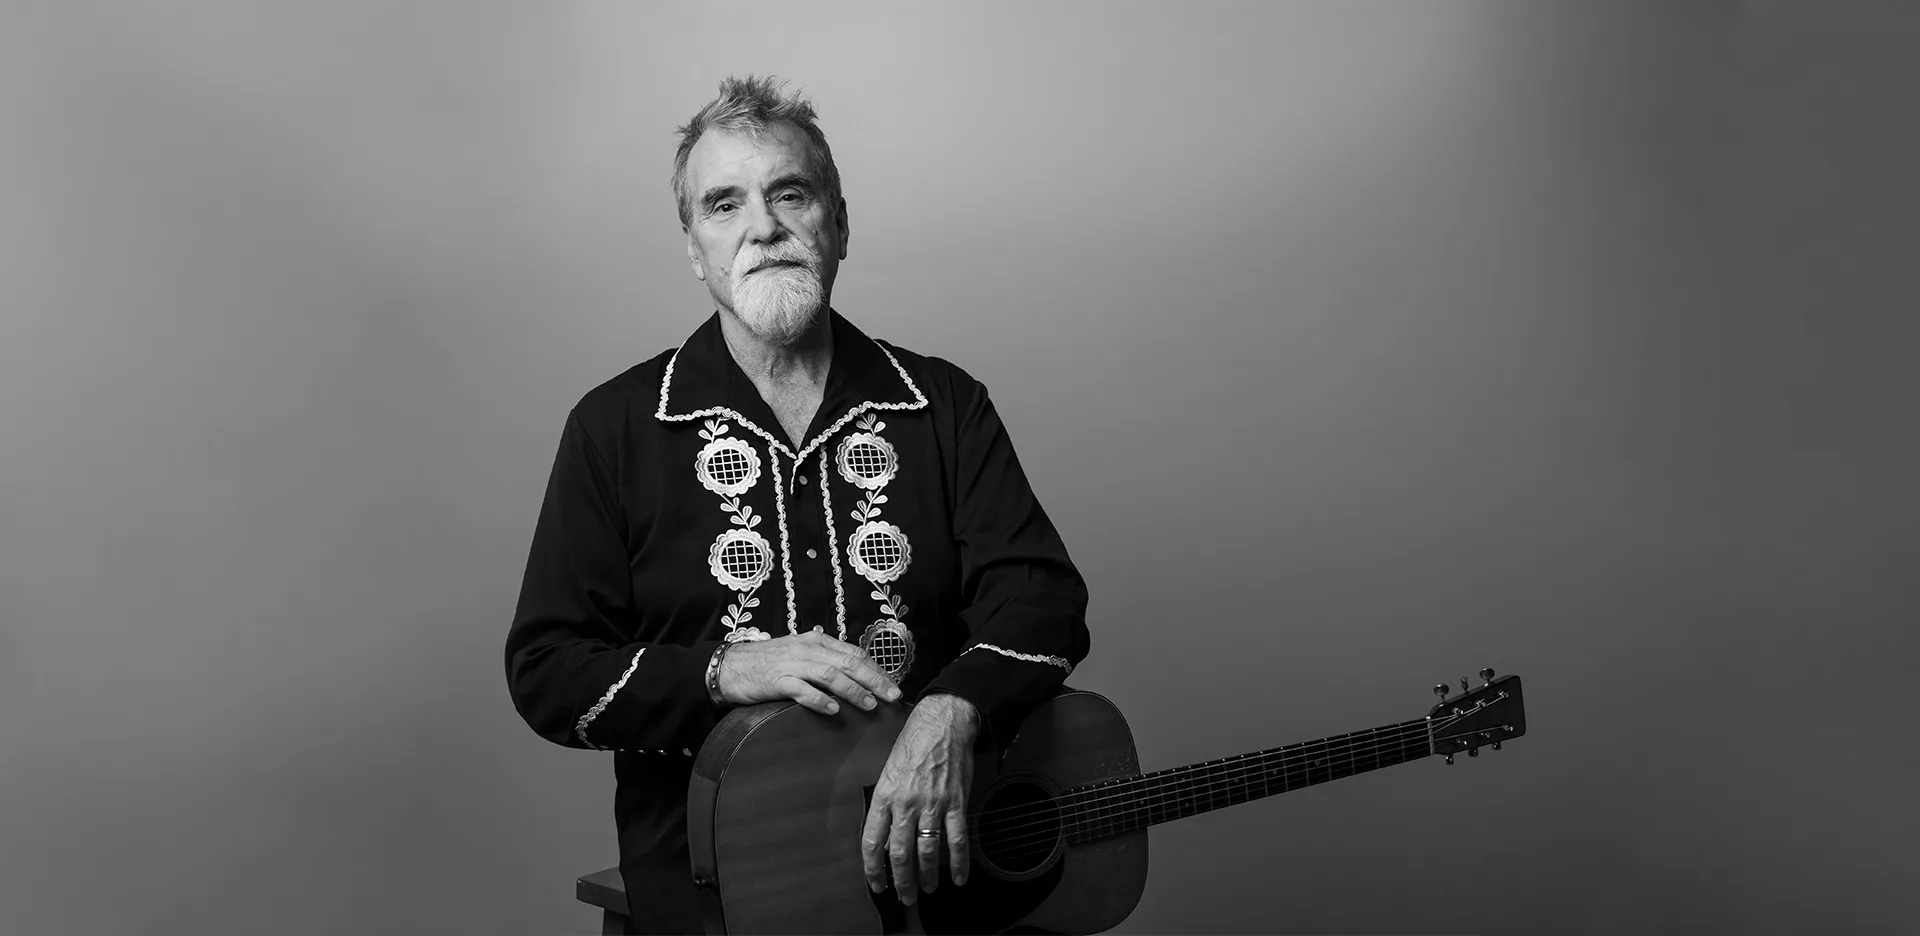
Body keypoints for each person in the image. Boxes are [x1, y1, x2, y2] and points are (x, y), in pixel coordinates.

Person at [504, 75, 1090, 936]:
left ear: (839, 223)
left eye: (790, 192)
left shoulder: (943, 405)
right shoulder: (613, 428)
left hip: (943, 885)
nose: (763, 226)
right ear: (694, 247)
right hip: (718, 898)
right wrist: (723, 669)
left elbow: (1042, 600)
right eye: (723, 204)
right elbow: (549, 671)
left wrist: (952, 710)